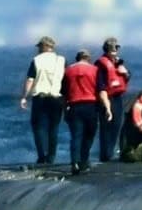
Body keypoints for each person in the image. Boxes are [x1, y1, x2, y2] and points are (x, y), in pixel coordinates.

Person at [19, 36, 65, 166]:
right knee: (54, 128)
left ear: (44, 47)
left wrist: (24, 97)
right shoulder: (61, 60)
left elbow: (30, 80)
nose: (38, 49)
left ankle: (41, 155)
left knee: (38, 126)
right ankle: (51, 156)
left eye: (39, 47)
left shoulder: (37, 60)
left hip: (40, 97)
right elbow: (66, 80)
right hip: (57, 97)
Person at [59, 47, 106, 174]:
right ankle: (84, 161)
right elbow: (101, 91)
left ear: (77, 58)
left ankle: (74, 161)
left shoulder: (68, 71)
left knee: (76, 136)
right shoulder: (95, 70)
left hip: (74, 106)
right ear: (88, 58)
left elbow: (64, 94)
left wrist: (65, 111)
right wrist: (107, 108)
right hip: (90, 106)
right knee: (89, 136)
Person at [94, 38, 130, 165]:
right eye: (112, 48)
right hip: (107, 98)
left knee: (117, 125)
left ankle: (110, 153)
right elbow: (100, 84)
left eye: (116, 48)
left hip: (117, 97)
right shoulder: (100, 64)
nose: (114, 50)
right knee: (106, 127)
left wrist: (125, 73)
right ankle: (106, 155)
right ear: (107, 49)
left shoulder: (119, 63)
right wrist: (105, 103)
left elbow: (126, 77)